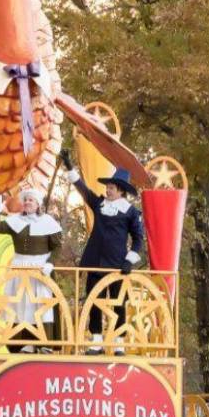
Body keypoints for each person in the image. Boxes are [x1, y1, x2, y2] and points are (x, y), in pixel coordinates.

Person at [61, 150, 144, 355]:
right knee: (94, 301)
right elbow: (84, 190)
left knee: (118, 303)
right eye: (107, 187)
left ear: (120, 191)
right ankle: (96, 340)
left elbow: (138, 239)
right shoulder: (99, 204)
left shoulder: (131, 212)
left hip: (117, 265)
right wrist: (70, 167)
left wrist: (129, 260)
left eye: (111, 188)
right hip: (94, 261)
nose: (107, 190)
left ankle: (118, 342)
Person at [0, 188, 63, 350]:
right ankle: (27, 344)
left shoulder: (48, 222)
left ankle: (46, 343)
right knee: (22, 306)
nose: (27, 202)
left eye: (31, 200)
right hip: (19, 267)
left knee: (42, 305)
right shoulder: (15, 220)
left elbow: (58, 246)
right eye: (26, 200)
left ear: (38, 204)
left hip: (40, 268)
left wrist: (50, 263)